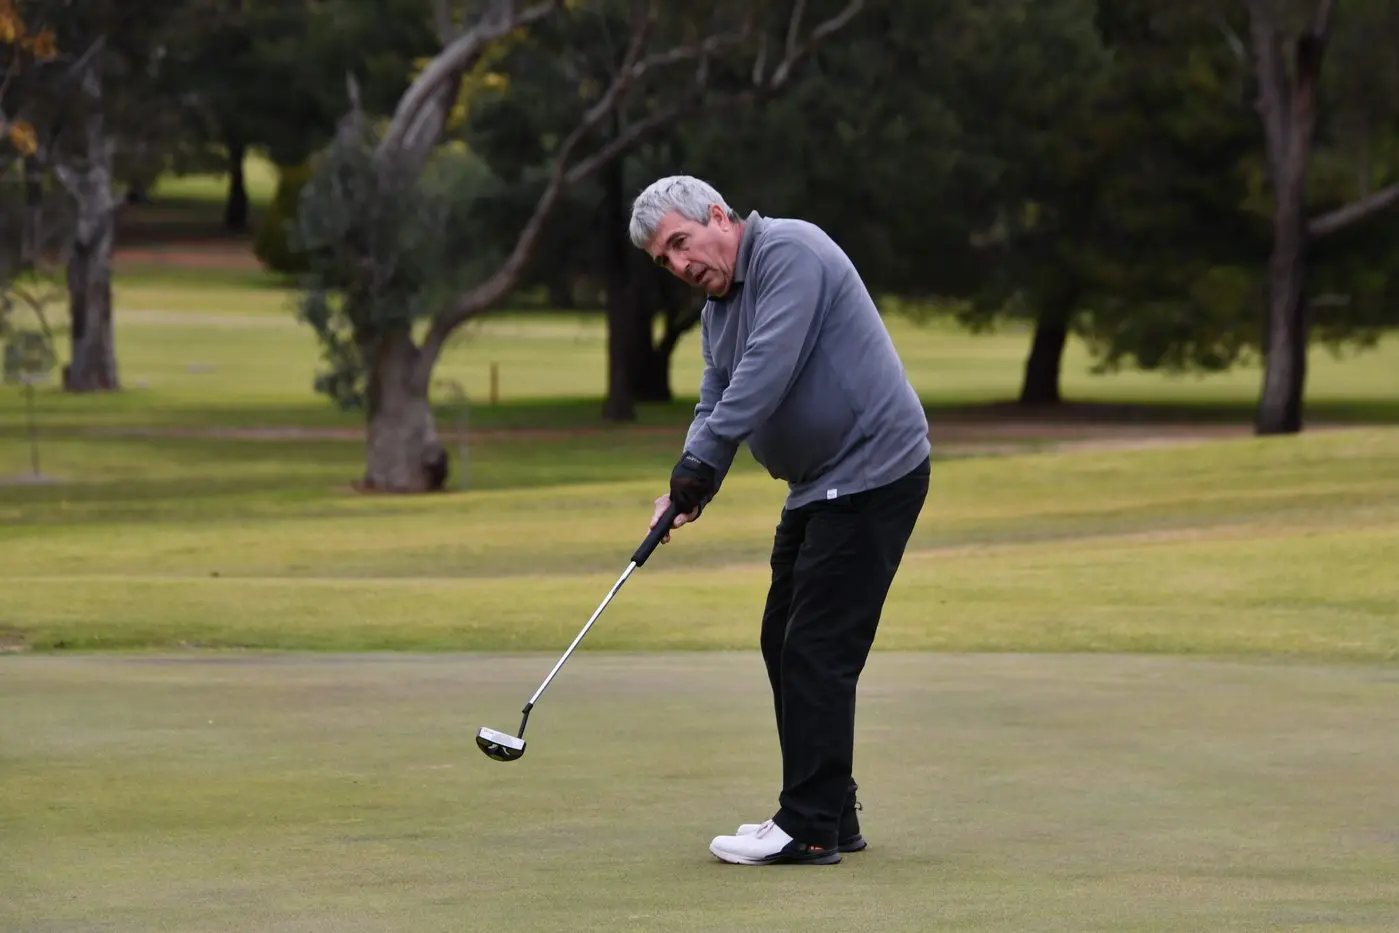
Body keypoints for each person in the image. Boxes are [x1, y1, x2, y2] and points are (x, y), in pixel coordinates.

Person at [628, 175, 932, 866]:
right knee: (783, 638)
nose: (677, 264)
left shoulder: (790, 252)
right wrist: (684, 486)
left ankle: (808, 823)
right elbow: (715, 396)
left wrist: (702, 464)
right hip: (817, 486)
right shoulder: (717, 310)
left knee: (816, 646)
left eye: (679, 242)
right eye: (663, 260)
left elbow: (763, 371)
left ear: (716, 216)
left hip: (871, 471)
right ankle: (834, 809)